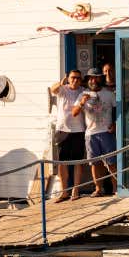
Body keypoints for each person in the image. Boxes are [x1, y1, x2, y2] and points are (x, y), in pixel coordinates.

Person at [74, 68, 117, 197]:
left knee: (112, 162)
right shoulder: (83, 94)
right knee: (95, 163)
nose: (93, 80)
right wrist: (82, 102)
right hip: (91, 134)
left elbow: (117, 111)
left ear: (101, 79)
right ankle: (98, 189)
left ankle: (116, 188)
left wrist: (115, 124)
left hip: (106, 132)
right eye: (91, 78)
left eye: (96, 77)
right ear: (88, 80)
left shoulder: (109, 94)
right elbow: (74, 112)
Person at [48, 69, 87, 202]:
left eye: (78, 78)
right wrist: (60, 83)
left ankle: (75, 191)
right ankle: (64, 192)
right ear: (68, 78)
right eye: (73, 77)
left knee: (77, 162)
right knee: (62, 162)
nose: (75, 80)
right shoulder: (63, 89)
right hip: (62, 130)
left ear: (81, 80)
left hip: (78, 130)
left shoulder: (83, 91)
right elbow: (53, 90)